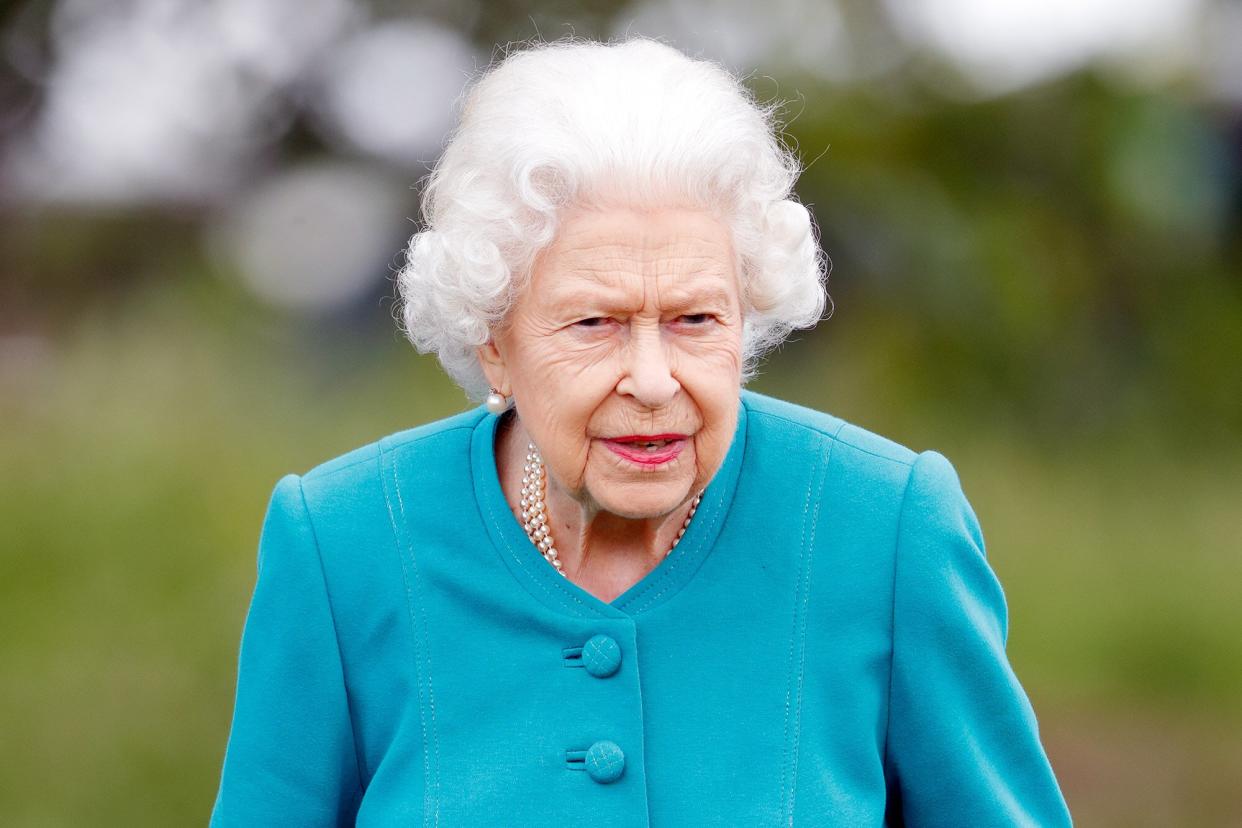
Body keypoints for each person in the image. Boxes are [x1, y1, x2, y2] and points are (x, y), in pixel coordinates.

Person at [210, 36, 1072, 826]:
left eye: (696, 319)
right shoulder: (343, 542)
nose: (656, 381)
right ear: (494, 343)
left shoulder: (884, 527)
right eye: (595, 324)